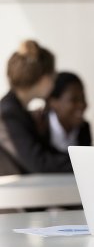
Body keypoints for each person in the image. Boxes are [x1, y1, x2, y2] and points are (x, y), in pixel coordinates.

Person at [0, 40, 72, 174]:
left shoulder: (18, 111)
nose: (54, 81)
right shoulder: (8, 114)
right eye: (53, 75)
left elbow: (44, 152)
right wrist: (80, 164)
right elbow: (39, 162)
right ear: (44, 78)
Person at [34, 72, 92, 153]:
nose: (82, 105)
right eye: (74, 100)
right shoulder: (39, 127)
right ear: (53, 102)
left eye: (83, 98)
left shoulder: (84, 129)